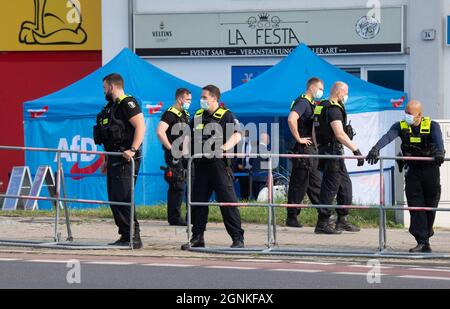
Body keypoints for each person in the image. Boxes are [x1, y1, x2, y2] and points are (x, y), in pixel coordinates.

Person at [366, 100, 445, 253]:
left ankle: (426, 235)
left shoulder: (432, 125)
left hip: (430, 170)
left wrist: (440, 152)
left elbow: (439, 141)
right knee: (416, 206)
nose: (407, 116)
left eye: (410, 114)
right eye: (406, 113)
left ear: (419, 115)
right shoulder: (400, 126)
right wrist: (375, 149)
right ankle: (422, 241)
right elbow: (388, 137)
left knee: (430, 205)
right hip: (413, 170)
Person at [182, 85, 245, 250]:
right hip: (200, 165)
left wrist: (224, 147)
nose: (201, 100)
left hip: (218, 165)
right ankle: (197, 237)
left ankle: (237, 238)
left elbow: (238, 134)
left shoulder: (226, 115)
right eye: (201, 97)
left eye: (204, 97)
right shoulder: (197, 115)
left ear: (214, 98)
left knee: (227, 202)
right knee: (198, 202)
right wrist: (185, 154)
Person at [94, 73, 146, 249]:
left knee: (124, 197)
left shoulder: (127, 103)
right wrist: (105, 160)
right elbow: (110, 137)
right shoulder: (111, 107)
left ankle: (133, 237)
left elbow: (140, 125)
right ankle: (125, 235)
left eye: (104, 88)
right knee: (115, 198)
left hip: (126, 159)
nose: (104, 91)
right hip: (114, 158)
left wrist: (132, 149)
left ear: (112, 86)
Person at [314, 81, 363, 235]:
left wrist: (317, 147)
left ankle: (342, 220)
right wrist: (356, 150)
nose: (346, 96)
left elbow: (313, 130)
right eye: (345, 93)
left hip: (328, 151)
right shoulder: (334, 109)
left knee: (345, 186)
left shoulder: (320, 105)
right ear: (338, 92)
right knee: (330, 188)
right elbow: (339, 134)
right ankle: (322, 223)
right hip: (332, 152)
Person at [286, 77, 324, 228]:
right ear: (312, 88)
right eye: (320, 89)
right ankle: (292, 216)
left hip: (310, 149)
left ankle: (325, 215)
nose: (321, 92)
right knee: (299, 184)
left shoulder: (311, 104)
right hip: (304, 149)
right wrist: (299, 138)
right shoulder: (303, 102)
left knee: (313, 183)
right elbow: (291, 119)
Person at [156, 88, 192, 226]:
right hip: (174, 154)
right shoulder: (170, 114)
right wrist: (171, 148)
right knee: (178, 184)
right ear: (179, 99)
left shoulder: (185, 114)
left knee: (186, 185)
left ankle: (187, 216)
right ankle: (174, 217)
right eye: (188, 100)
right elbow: (160, 132)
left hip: (185, 155)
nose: (189, 102)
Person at [250, 133, 271, 200]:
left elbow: (250, 162)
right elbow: (271, 165)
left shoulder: (253, 150)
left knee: (256, 196)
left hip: (254, 177)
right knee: (262, 197)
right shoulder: (268, 151)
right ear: (266, 140)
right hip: (264, 177)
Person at [236, 130, 253, 200]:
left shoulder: (252, 145)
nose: (245, 137)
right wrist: (238, 165)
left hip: (250, 169)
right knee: (242, 186)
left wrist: (250, 166)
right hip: (241, 169)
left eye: (246, 135)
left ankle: (249, 199)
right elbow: (236, 157)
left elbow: (254, 157)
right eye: (243, 135)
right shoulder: (239, 145)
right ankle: (244, 200)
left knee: (249, 186)